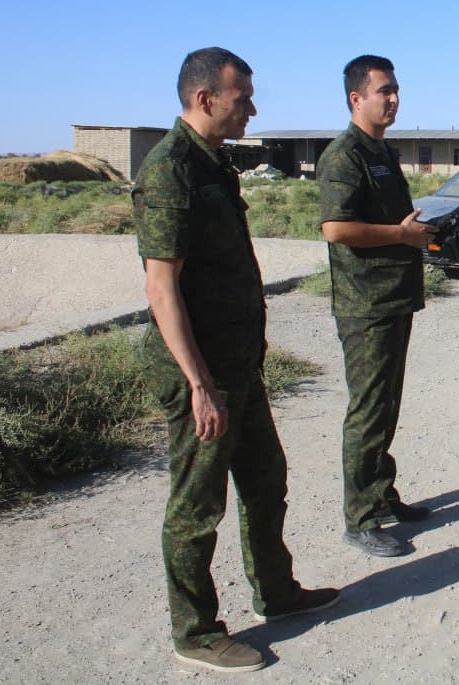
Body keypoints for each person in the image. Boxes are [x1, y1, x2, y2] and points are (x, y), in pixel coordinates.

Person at [133, 47, 338, 673]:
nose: (251, 107)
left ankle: (276, 593)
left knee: (266, 480)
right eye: (242, 97)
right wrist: (198, 384)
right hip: (201, 372)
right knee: (198, 506)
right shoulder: (171, 170)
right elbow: (161, 287)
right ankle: (194, 631)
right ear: (205, 99)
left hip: (238, 365)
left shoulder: (214, 163)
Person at [317, 55, 437, 558]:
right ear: (356, 98)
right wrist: (402, 235)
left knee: (386, 405)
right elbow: (337, 228)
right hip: (365, 305)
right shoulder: (344, 156)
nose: (393, 99)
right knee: (368, 409)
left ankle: (381, 494)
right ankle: (360, 518)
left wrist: (416, 233)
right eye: (383, 91)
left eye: (396, 90)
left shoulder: (380, 152)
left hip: (392, 297)